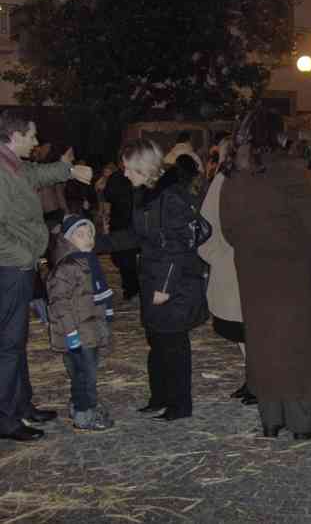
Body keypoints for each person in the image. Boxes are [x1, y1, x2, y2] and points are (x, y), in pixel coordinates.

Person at [220, 111, 311, 440]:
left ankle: (271, 418)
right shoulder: (289, 172)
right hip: (289, 270)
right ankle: (302, 422)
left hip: (253, 270)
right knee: (295, 342)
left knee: (263, 341)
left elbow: (228, 229)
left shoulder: (233, 174)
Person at [0, 111, 93, 442]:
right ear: (15, 136)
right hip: (10, 268)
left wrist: (69, 169)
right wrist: (24, 255)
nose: (36, 142)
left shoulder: (13, 164)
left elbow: (38, 173)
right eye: (32, 135)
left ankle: (21, 406)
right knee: (8, 346)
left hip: (18, 268)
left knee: (16, 343)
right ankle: (5, 419)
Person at [101, 140, 209, 421]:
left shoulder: (171, 197)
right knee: (157, 342)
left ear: (144, 167)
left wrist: (165, 287)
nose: (124, 174)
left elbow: (177, 248)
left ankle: (180, 404)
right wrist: (99, 243)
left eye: (128, 169)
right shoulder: (145, 195)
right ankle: (159, 397)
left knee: (173, 344)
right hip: (153, 277)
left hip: (175, 284)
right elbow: (138, 236)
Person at [198, 136, 254, 405]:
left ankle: (259, 379)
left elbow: (206, 223)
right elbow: (208, 223)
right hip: (236, 261)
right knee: (245, 325)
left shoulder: (227, 180)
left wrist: (213, 254)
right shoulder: (233, 179)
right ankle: (255, 377)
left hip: (238, 261)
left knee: (248, 324)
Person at [47, 214, 115, 431]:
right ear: (68, 238)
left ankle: (81, 406)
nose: (87, 239)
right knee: (84, 375)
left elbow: (95, 293)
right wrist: (70, 333)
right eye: (80, 234)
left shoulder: (87, 261)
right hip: (76, 332)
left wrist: (105, 316)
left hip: (88, 329)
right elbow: (59, 303)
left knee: (85, 373)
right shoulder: (67, 266)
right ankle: (85, 415)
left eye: (90, 234)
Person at [104, 162, 140, 303]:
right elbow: (108, 197)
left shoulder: (132, 175)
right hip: (122, 223)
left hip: (130, 223)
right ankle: (131, 290)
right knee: (125, 259)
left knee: (128, 259)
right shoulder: (116, 177)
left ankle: (133, 289)